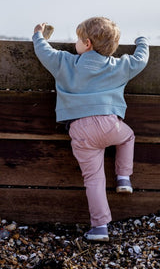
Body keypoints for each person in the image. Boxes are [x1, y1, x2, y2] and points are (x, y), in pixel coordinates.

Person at [32, 17, 149, 242]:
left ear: (87, 43)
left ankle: (100, 227)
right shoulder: (120, 65)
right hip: (110, 124)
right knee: (128, 137)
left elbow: (44, 52)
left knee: (94, 179)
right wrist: (142, 41)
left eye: (77, 39)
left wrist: (38, 34)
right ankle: (124, 177)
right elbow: (140, 60)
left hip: (80, 128)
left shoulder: (65, 62)